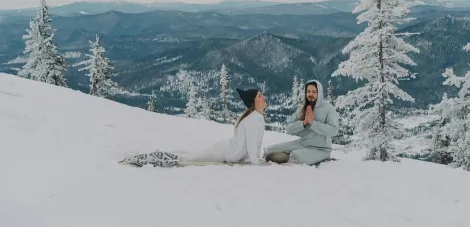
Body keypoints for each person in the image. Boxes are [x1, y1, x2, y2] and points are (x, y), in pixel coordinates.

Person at [120, 88, 267, 167]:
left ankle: (157, 155)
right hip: (223, 152)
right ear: (253, 103)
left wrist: (257, 160)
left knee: (190, 156)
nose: (263, 97)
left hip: (225, 150)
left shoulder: (257, 118)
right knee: (187, 159)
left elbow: (256, 144)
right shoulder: (252, 120)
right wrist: (256, 163)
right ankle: (145, 158)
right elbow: (252, 143)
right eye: (259, 96)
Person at [264, 79, 339, 165]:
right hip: (303, 143)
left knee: (296, 156)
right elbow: (288, 128)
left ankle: (288, 156)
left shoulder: (329, 108)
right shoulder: (302, 108)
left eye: (314, 92)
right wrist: (304, 123)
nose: (311, 94)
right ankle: (284, 155)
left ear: (320, 93)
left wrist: (313, 123)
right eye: (308, 91)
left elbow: (334, 130)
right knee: (270, 149)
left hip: (321, 149)